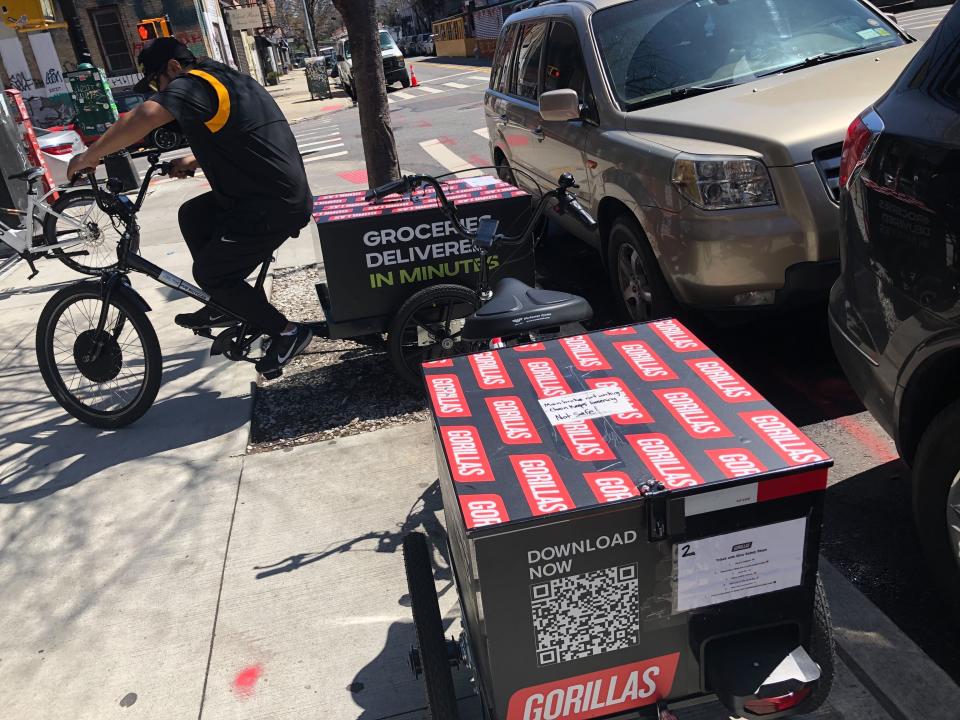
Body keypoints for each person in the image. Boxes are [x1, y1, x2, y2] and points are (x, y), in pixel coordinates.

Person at [67, 37, 314, 376]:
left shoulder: (194, 82)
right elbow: (246, 136)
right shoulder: (227, 80)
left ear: (173, 67)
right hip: (263, 193)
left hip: (270, 203)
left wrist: (90, 156)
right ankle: (224, 304)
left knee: (211, 273)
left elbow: (144, 116)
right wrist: (194, 159)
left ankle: (288, 333)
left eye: (158, 82)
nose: (159, 91)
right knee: (194, 215)